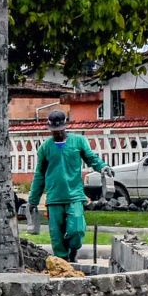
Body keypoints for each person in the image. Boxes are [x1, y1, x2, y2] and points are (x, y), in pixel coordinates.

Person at [29, 110, 107, 261]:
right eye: (54, 131)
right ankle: (63, 263)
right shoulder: (45, 148)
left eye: (59, 130)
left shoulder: (78, 141)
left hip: (75, 195)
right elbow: (39, 175)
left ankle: (73, 251)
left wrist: (102, 167)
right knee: (57, 236)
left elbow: (91, 158)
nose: (57, 133)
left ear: (65, 127)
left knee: (76, 229)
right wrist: (33, 200)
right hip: (54, 197)